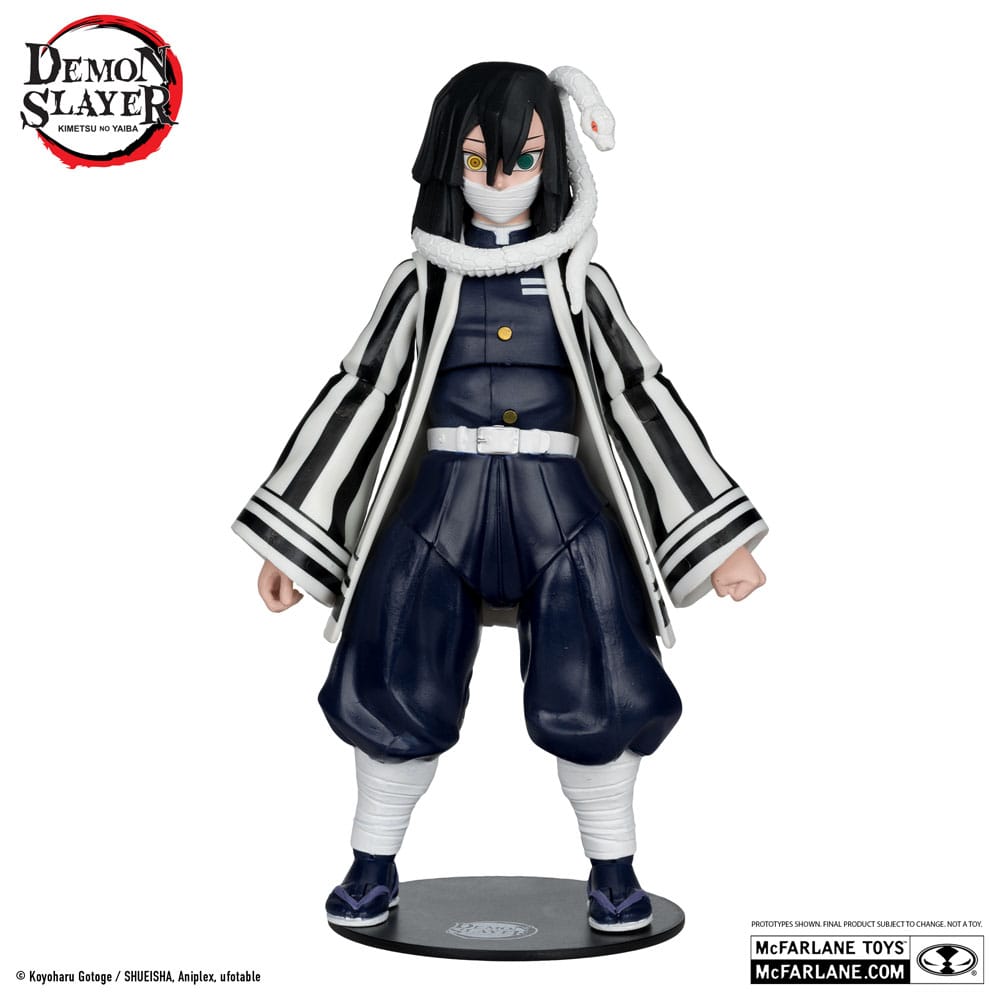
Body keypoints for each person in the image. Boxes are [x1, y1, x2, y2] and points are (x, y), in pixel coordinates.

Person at [234, 62, 767, 933]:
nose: (498, 179)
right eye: (479, 158)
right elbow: (362, 391)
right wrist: (289, 539)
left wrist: (721, 542)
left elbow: (638, 396)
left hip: (561, 511)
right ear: (448, 160)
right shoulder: (421, 282)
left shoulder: (579, 283)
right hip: (437, 508)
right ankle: (372, 865)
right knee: (392, 672)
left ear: (554, 166)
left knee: (602, 678)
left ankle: (614, 871)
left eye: (522, 160)